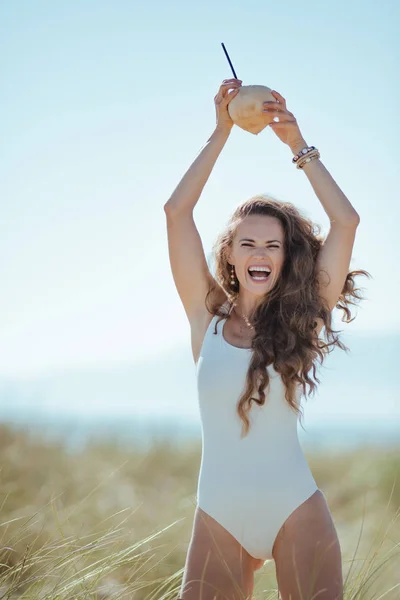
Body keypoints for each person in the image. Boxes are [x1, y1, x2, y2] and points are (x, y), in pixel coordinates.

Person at [163, 78, 370, 600]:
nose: (260, 252)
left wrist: (296, 144)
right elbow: (175, 212)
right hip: (218, 515)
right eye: (247, 243)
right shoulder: (204, 316)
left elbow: (346, 222)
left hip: (294, 509)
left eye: (272, 245)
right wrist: (221, 131)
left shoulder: (302, 318)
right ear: (230, 255)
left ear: (284, 258)